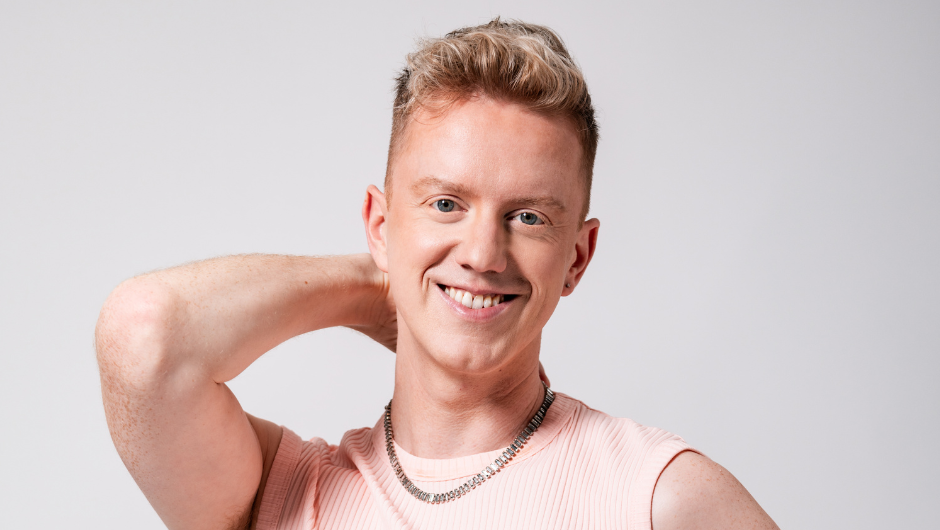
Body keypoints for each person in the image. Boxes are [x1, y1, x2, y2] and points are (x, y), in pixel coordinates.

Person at [95, 19, 779, 530]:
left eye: (528, 217)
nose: (482, 253)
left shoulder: (657, 498)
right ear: (380, 225)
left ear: (577, 256)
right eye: (446, 204)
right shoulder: (284, 494)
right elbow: (142, 334)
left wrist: (423, 278)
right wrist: (382, 287)